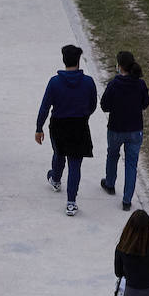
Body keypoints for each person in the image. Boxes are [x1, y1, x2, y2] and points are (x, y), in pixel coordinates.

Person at [35, 43, 96, 215]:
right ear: (78, 61)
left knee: (59, 152)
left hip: (59, 125)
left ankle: (55, 178)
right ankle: (71, 202)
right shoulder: (88, 82)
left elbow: (45, 107)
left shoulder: (54, 82)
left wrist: (39, 128)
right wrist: (84, 115)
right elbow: (92, 105)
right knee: (75, 163)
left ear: (64, 60)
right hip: (79, 125)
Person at [100, 50, 149, 210]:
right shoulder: (140, 84)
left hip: (116, 128)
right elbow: (145, 103)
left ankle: (109, 183)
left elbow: (104, 106)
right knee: (131, 164)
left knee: (113, 154)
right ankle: (127, 200)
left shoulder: (114, 84)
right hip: (135, 130)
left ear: (120, 66)